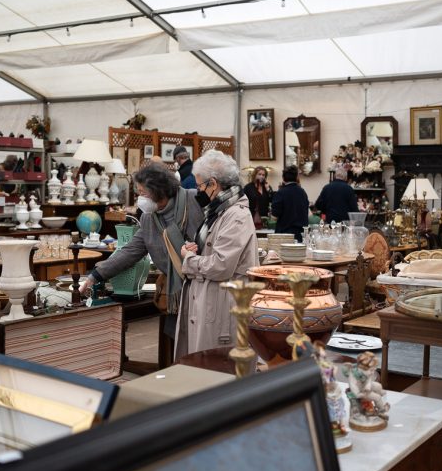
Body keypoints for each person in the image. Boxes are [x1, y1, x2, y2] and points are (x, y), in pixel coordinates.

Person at [80, 163, 204, 337]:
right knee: (178, 341)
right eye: (138, 193)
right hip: (176, 294)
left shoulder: (194, 200)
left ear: (159, 190)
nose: (140, 199)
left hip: (203, 286)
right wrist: (95, 276)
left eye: (143, 193)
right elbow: (129, 251)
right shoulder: (148, 218)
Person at [176, 150, 258, 359]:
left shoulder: (235, 215)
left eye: (199, 186)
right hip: (212, 301)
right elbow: (215, 248)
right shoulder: (219, 210)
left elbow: (221, 265)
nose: (198, 191)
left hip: (221, 307)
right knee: (203, 365)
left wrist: (189, 259)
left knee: (216, 367)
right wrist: (196, 248)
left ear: (213, 184)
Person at [271, 166, 309, 242]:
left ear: (283, 178)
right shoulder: (302, 192)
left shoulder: (280, 193)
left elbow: (274, 217)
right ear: (297, 177)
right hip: (300, 234)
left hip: (284, 234)